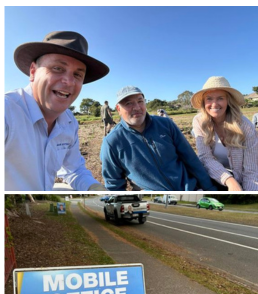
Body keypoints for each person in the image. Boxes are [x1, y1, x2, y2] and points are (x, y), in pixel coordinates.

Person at [5, 31, 109, 191]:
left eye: (77, 74)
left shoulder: (69, 122)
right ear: (33, 71)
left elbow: (74, 170)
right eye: (57, 68)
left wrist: (95, 189)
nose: (68, 81)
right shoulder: (7, 112)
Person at [100, 86, 217, 191]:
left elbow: (190, 159)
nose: (136, 107)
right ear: (118, 109)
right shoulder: (112, 142)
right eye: (128, 103)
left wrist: (210, 188)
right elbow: (113, 184)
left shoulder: (165, 124)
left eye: (140, 101)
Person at [191, 76, 258, 191]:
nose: (214, 104)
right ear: (204, 102)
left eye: (220, 98)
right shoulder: (199, 121)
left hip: (239, 180)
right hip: (211, 178)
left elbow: (251, 171)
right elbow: (205, 157)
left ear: (228, 101)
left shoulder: (245, 126)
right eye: (209, 99)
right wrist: (229, 180)